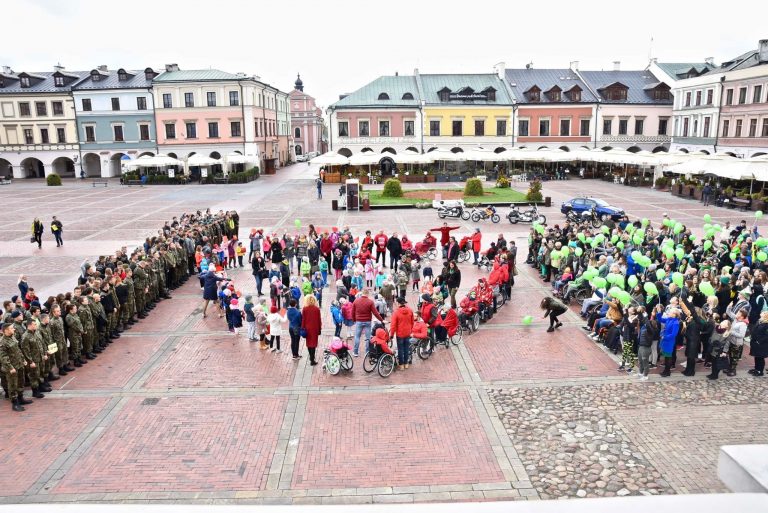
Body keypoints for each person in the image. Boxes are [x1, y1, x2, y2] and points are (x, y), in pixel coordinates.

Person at [351, 288, 384, 356]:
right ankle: (367, 351)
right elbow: (375, 313)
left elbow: (352, 312)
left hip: (359, 321)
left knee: (357, 336)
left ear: (362, 293)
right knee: (368, 337)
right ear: (367, 294)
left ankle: (355, 352)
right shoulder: (370, 302)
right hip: (367, 321)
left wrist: (354, 320)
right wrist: (381, 319)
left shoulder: (356, 301)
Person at [390, 297, 414, 370]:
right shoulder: (410, 310)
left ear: (398, 303)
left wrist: (391, 334)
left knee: (400, 349)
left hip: (400, 334)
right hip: (407, 333)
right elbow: (412, 322)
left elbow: (393, 325)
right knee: (406, 348)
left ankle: (401, 365)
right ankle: (406, 363)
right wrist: (410, 330)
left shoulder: (396, 312)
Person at [301, 295, 322, 365]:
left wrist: (303, 328)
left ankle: (311, 357)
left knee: (309, 343)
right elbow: (319, 320)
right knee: (314, 344)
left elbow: (303, 319)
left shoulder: (304, 309)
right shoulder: (317, 309)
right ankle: (312, 359)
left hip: (307, 328)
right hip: (315, 328)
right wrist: (319, 329)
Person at [749, 311, 768, 377]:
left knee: (760, 358)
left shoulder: (766, 324)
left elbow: (766, 336)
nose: (761, 313)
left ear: (765, 316)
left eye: (762, 313)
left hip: (761, 344)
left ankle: (760, 371)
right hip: (755, 342)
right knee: (756, 356)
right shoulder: (759, 321)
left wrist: (759, 341)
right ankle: (756, 369)